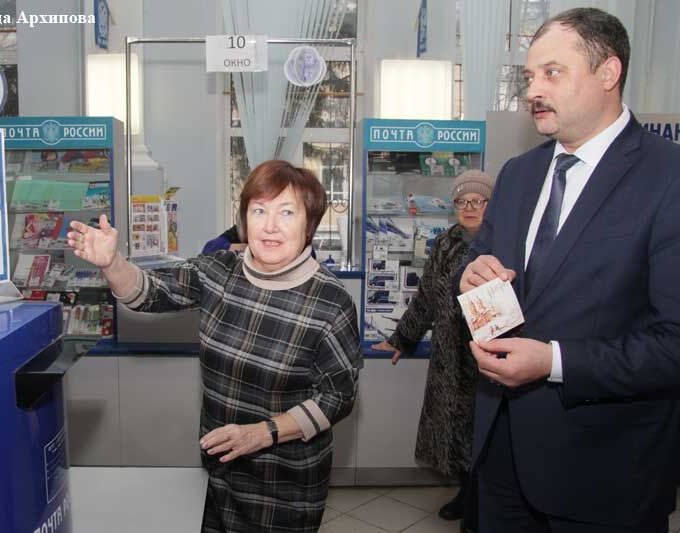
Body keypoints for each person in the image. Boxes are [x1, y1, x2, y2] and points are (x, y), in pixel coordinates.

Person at [457, 8, 680, 532]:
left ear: (608, 72)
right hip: (501, 459)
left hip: (606, 474)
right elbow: (477, 264)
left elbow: (674, 343)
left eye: (552, 73)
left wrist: (553, 362)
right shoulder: (518, 174)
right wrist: (468, 276)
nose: (533, 90)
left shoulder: (668, 177)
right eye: (529, 76)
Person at [68, 159, 362, 532]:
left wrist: (262, 433)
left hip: (284, 486)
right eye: (259, 211)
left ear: (310, 225)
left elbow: (338, 397)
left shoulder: (330, 301)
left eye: (287, 212)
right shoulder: (220, 270)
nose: (270, 225)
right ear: (244, 219)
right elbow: (150, 293)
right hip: (218, 469)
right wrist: (112, 263)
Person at [372, 169, 494, 533]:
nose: (469, 207)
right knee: (452, 430)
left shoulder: (504, 242)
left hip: (486, 357)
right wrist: (401, 338)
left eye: (478, 200)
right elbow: (426, 297)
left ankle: (481, 503)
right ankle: (465, 493)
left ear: (492, 204)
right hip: (448, 356)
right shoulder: (444, 243)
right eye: (461, 201)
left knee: (482, 433)